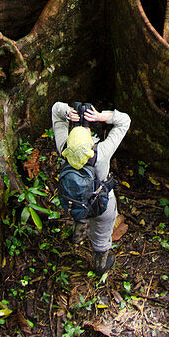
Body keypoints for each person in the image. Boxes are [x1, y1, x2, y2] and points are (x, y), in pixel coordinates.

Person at [51, 101, 131, 274]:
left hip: (75, 200)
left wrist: (67, 112)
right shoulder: (101, 153)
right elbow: (125, 121)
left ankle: (78, 233)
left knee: (80, 206)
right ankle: (101, 264)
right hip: (101, 204)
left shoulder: (64, 147)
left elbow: (55, 110)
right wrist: (101, 117)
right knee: (101, 234)